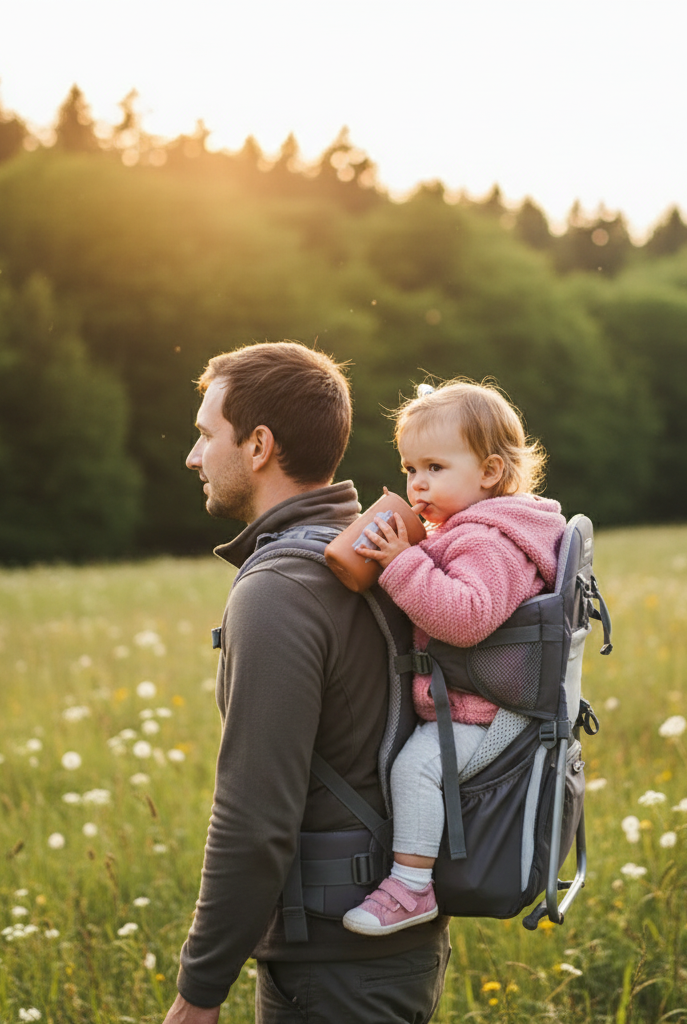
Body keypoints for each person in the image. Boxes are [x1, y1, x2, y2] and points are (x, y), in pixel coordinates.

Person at [164, 342, 451, 1024]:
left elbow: (254, 820)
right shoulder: (376, 551)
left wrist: (197, 996)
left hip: (332, 966)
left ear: (258, 444)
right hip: (392, 947)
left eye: (206, 435)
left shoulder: (279, 589)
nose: (193, 456)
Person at [340, 380, 567, 936]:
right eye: (409, 468)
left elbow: (466, 617)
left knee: (415, 768)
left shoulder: (489, 540)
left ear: (489, 472)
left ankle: (411, 888)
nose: (417, 484)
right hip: (477, 699)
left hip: (487, 710)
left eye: (435, 468)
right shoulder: (474, 528)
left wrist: (402, 565)